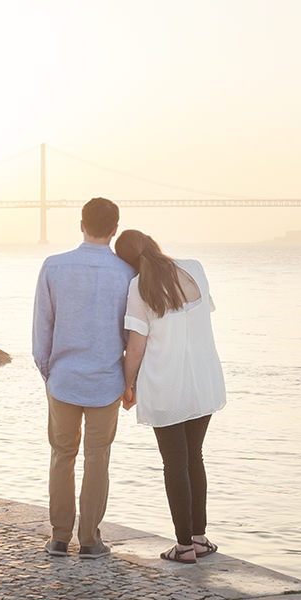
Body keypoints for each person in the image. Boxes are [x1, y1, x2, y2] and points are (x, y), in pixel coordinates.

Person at [115, 229, 226, 564]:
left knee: (174, 462)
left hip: (166, 385)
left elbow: (136, 346)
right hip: (203, 380)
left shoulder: (139, 286)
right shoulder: (195, 267)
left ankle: (183, 547)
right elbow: (201, 314)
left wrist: (127, 385)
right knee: (195, 457)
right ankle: (199, 539)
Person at [32, 197, 134, 559]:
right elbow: (130, 334)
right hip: (107, 380)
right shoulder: (125, 273)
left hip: (63, 378)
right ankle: (90, 540)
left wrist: (49, 372)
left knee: (62, 455)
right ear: (115, 228)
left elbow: (42, 328)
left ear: (80, 224)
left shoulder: (53, 266)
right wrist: (129, 380)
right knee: (97, 458)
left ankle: (59, 538)